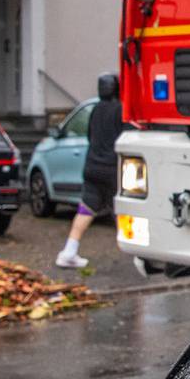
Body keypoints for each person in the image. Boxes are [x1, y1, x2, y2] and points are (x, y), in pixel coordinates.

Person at [56, 73, 124, 269]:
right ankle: (139, 255)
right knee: (122, 211)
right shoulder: (120, 110)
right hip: (112, 169)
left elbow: (89, 136)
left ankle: (69, 251)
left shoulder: (95, 110)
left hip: (92, 166)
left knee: (86, 209)